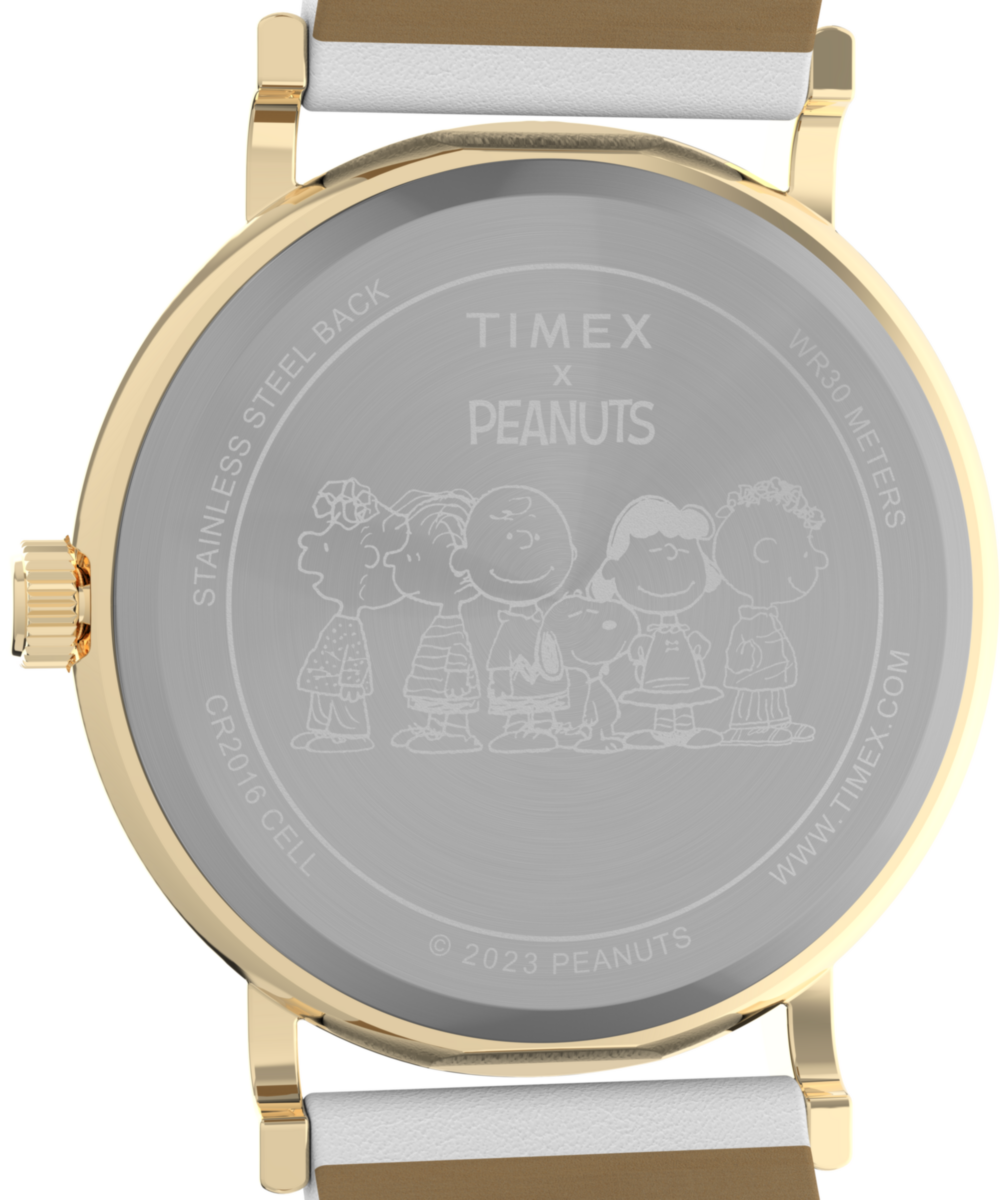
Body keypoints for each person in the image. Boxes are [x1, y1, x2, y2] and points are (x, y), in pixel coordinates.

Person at [451, 486, 576, 752]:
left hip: (537, 640)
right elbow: (499, 662)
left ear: (570, 552)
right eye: (508, 537)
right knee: (513, 680)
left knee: (544, 679)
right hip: (516, 645)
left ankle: (542, 721)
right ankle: (518, 723)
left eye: (537, 537)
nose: (523, 543)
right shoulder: (508, 628)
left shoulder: (542, 621)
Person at [593, 496, 723, 748]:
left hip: (685, 674)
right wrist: (639, 650)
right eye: (650, 558)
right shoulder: (651, 634)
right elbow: (638, 649)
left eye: (682, 555)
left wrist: (698, 645)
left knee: (683, 700)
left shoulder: (683, 631)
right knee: (662, 702)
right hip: (657, 675)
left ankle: (686, 729)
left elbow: (699, 645)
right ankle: (662, 730)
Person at [291, 478, 406, 752]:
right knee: (322, 695)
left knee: (344, 701)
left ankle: (350, 734)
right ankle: (320, 728)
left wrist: (353, 681)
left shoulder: (350, 627)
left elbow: (355, 657)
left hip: (340, 679)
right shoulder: (340, 623)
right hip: (326, 675)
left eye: (329, 549)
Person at [713, 479, 829, 745]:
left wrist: (784, 666)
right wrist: (746, 668)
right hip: (756, 676)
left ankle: (777, 723)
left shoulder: (767, 619)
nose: (820, 560)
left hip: (771, 674)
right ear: (765, 553)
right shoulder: (749, 623)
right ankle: (747, 729)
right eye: (805, 553)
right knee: (754, 699)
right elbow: (737, 653)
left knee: (773, 698)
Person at [384, 489, 482, 753]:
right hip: (438, 678)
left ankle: (456, 733)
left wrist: (457, 678)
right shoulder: (442, 622)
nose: (393, 561)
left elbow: (458, 653)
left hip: (450, 682)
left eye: (412, 556)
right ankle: (435, 728)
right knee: (437, 699)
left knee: (449, 702)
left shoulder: (451, 626)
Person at [538, 592, 640, 752]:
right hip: (585, 687)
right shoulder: (577, 677)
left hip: (594, 682)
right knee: (596, 712)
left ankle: (606, 733)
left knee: (608, 709)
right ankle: (595, 737)